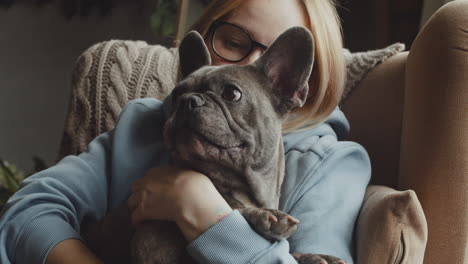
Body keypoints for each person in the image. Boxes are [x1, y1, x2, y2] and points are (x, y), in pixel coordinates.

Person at [0, 0, 372, 263]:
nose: (249, 66)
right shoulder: (146, 125)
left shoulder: (329, 165)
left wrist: (199, 208)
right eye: (233, 42)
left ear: (295, 80)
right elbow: (29, 210)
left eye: (276, 61)